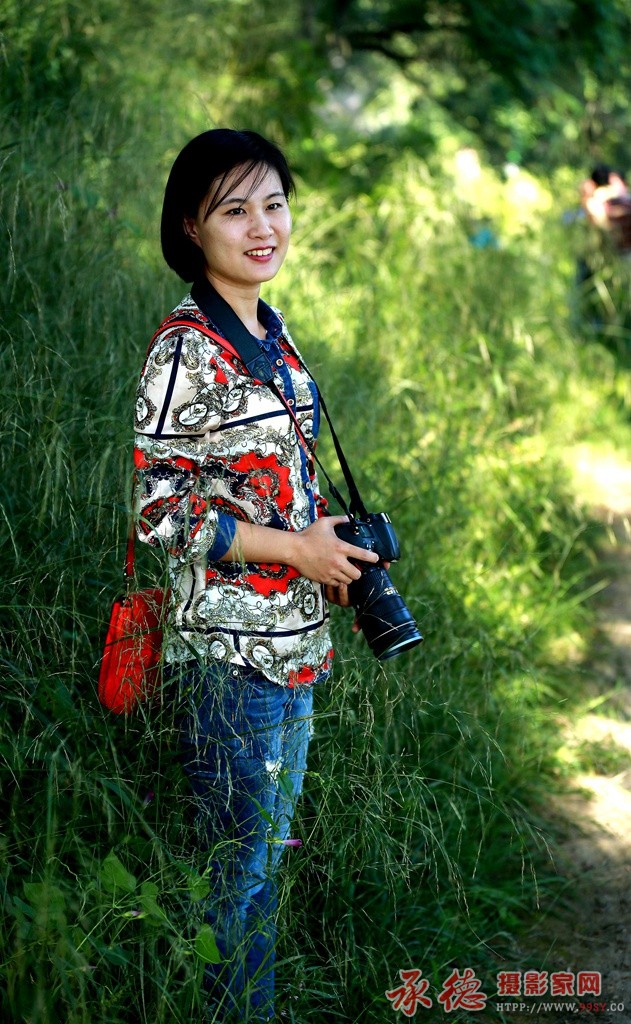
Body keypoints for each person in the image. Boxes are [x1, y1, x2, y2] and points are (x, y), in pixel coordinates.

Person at [132, 129, 379, 1022]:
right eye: (234, 209)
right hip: (230, 657)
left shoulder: (270, 330)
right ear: (192, 226)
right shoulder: (185, 349)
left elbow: (282, 481)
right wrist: (291, 550)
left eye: (273, 203)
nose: (261, 225)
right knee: (230, 882)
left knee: (261, 871)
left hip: (294, 646)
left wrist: (336, 560)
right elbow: (158, 512)